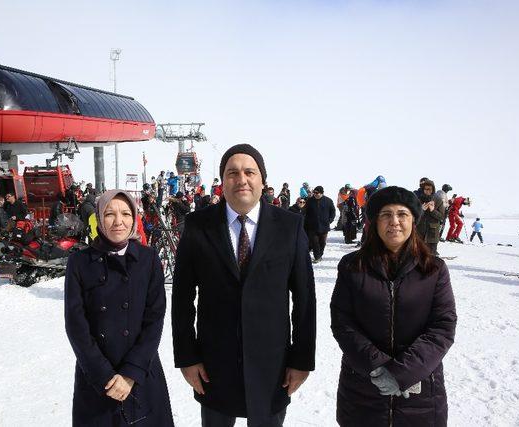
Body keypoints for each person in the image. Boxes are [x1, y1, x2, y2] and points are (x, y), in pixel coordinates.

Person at [172, 144, 316, 427]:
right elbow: (182, 298)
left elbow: (305, 299)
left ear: (262, 179)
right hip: (214, 364)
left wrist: (301, 360)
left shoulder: (289, 227)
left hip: (272, 364)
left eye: (250, 172)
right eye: (232, 173)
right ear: (222, 181)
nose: (242, 179)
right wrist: (187, 357)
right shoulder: (198, 226)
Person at [330, 186, 457, 426]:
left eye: (402, 214)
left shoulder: (434, 269)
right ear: (375, 222)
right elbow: (343, 323)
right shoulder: (352, 266)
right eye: (386, 215)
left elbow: (443, 327)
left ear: (413, 221)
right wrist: (378, 368)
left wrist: (402, 373)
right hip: (363, 392)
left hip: (420, 396)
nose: (394, 222)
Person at [64, 190, 174, 426]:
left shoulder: (148, 259)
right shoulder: (79, 262)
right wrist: (104, 375)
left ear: (134, 218)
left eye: (125, 213)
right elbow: (76, 326)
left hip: (140, 373)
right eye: (110, 214)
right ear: (99, 218)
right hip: (97, 379)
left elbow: (154, 320)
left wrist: (130, 374)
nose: (118, 221)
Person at [304, 186, 336, 263]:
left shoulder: (328, 201)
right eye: (314, 192)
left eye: (317, 193)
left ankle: (320, 255)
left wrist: (330, 220)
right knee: (315, 243)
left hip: (324, 226)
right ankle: (317, 257)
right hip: (312, 226)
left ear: (321, 193)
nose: (315, 194)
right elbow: (305, 212)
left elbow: (333, 211)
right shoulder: (310, 201)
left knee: (322, 243)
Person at [416, 180, 445, 255]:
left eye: (429, 189)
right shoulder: (418, 199)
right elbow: (414, 217)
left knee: (431, 256)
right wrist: (421, 210)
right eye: (425, 189)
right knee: (418, 255)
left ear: (433, 189)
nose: (427, 191)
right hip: (420, 232)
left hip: (432, 234)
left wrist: (433, 210)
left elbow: (442, 217)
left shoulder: (438, 200)